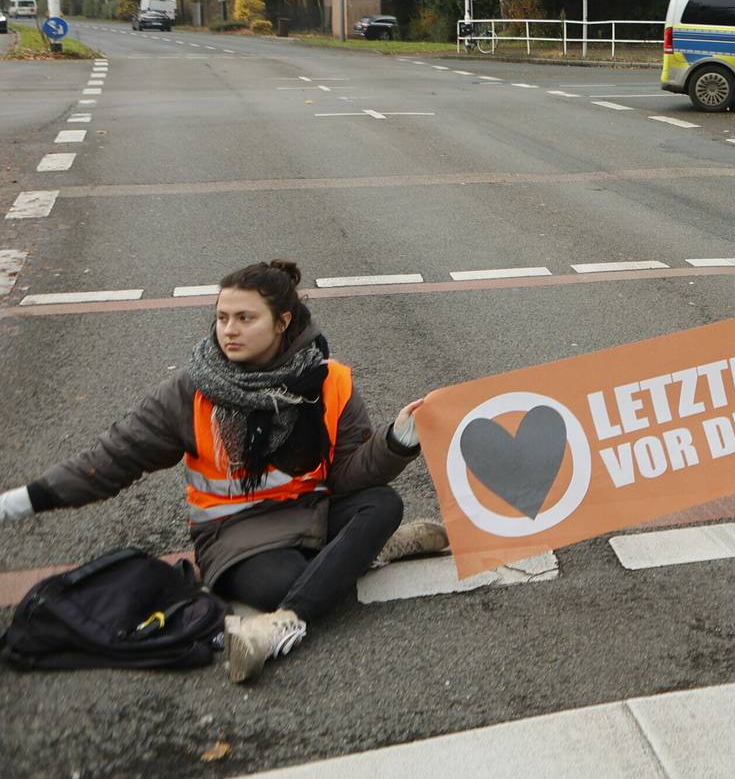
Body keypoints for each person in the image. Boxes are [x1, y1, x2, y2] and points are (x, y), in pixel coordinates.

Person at [0, 260, 448, 683]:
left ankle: (280, 624)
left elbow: (347, 475)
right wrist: (14, 504)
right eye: (222, 317)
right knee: (282, 583)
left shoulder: (330, 380)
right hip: (234, 535)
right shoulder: (192, 389)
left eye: (244, 318)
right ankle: (346, 567)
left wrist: (397, 440)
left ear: (283, 322)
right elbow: (110, 459)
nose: (228, 331)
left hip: (312, 512)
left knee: (384, 502)